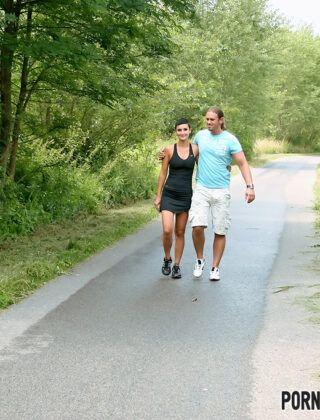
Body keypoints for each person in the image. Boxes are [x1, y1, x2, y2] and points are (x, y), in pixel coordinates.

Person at [190, 106, 255, 281]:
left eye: (212, 119)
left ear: (221, 120)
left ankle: (215, 268)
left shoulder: (230, 140)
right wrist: (166, 153)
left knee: (220, 230)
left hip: (221, 190)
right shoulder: (200, 136)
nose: (209, 122)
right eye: (207, 119)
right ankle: (200, 259)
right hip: (202, 188)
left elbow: (242, 163)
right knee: (197, 226)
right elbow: (189, 155)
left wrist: (250, 186)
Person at [154, 118, 198, 279]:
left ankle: (177, 265)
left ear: (190, 130)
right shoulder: (169, 150)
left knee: (180, 232)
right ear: (176, 132)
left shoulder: (196, 149)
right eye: (179, 130)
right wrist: (158, 195)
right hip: (169, 194)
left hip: (185, 195)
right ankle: (167, 258)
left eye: (185, 129)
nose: (182, 133)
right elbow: (162, 173)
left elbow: (204, 168)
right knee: (167, 230)